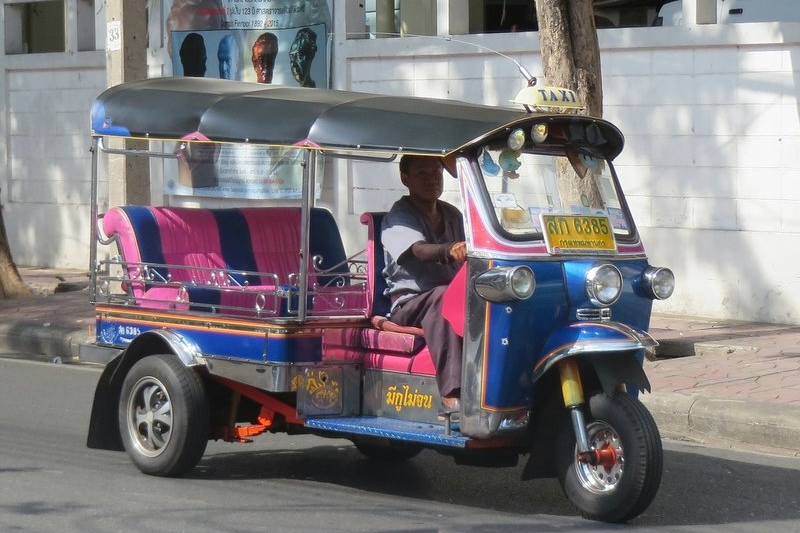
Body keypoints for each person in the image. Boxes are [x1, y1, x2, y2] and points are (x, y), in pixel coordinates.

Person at [381, 155, 467, 415]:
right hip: (410, 303)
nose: (432, 179)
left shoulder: (452, 214)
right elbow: (418, 250)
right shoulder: (398, 215)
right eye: (422, 173)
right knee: (443, 297)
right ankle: (452, 395)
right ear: (405, 178)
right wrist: (449, 250)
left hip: (453, 296)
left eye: (436, 172)